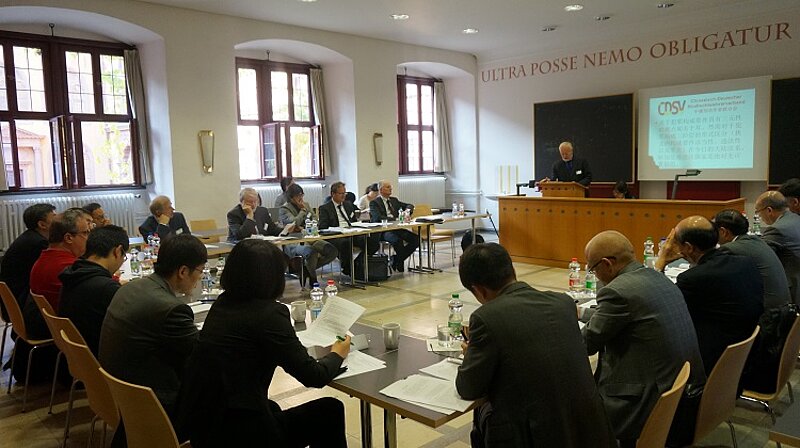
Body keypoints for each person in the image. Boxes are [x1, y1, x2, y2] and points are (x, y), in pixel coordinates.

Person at [175, 239, 350, 447]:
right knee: (329, 411)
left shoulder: (221, 305)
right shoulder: (270, 315)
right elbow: (314, 376)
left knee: (272, 408)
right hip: (243, 435)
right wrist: (337, 353)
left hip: (206, 428)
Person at [455, 243, 616, 448]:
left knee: (485, 410)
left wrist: (471, 354)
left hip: (537, 436)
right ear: (512, 270)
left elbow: (468, 388)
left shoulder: (486, 317)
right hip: (590, 430)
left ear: (478, 290)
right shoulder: (563, 303)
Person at [580, 231, 705, 446]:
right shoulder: (656, 277)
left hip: (646, 402)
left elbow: (586, 344)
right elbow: (625, 315)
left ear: (608, 264)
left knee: (567, 404)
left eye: (592, 269)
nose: (594, 274)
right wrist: (581, 312)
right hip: (682, 392)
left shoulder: (618, 292)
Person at [100, 234, 206, 446]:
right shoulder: (171, 308)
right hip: (155, 403)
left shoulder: (130, 287)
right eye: (200, 271)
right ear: (183, 271)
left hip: (121, 393)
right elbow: (202, 355)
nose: (200, 278)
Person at [655, 216, 763, 376]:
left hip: (713, 364)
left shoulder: (694, 279)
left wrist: (661, 262)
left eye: (676, 243)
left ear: (689, 247)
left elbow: (661, 307)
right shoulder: (745, 263)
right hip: (747, 355)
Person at [59, 225, 129, 356]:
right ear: (118, 251)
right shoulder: (106, 288)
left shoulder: (73, 273)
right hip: (102, 356)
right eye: (123, 257)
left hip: (78, 355)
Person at [713, 209, 790, 310]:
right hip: (783, 306)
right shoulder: (757, 240)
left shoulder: (730, 249)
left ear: (723, 232)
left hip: (768, 312)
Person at [29, 208, 92, 314]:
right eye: (85, 233)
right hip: (70, 322)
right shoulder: (69, 267)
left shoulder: (44, 258)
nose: (88, 238)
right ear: (68, 238)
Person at [0, 203, 55, 320]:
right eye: (54, 218)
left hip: (14, 300)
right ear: (42, 225)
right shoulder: (38, 243)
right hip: (23, 303)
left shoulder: (30, 237)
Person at [279, 184, 338, 285]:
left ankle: (306, 270)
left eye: (302, 195)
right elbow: (293, 223)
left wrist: (306, 225)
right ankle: (313, 278)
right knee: (311, 252)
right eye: (298, 196)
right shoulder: (284, 209)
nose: (301, 198)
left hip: (310, 236)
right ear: (291, 198)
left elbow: (315, 218)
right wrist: (302, 211)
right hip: (294, 241)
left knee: (332, 251)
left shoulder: (306, 205)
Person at [318, 181, 379, 278]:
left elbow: (354, 219)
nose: (343, 196)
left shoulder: (348, 205)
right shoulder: (325, 208)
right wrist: (337, 229)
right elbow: (322, 227)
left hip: (351, 232)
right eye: (341, 193)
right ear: (333, 194)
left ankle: (356, 264)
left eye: (344, 193)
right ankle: (349, 269)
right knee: (345, 243)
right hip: (336, 236)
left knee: (373, 242)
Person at [756, 191, 800, 305]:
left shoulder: (777, 229)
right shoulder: (796, 218)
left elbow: (759, 255)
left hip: (791, 289)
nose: (759, 217)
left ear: (769, 210)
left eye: (758, 212)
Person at [369, 180, 419, 272]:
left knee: (416, 239)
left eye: (390, 187)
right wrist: (395, 219)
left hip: (396, 228)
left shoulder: (394, 200)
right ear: (381, 190)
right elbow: (378, 217)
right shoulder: (374, 203)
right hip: (383, 230)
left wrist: (407, 211)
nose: (391, 188)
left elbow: (409, 205)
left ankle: (396, 259)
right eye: (388, 187)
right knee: (397, 241)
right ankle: (399, 262)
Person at [227, 187, 292, 242]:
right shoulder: (233, 214)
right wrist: (249, 216)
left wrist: (286, 230)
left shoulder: (262, 211)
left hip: (260, 244)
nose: (253, 205)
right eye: (250, 202)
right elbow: (240, 236)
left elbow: (273, 230)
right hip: (240, 246)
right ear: (242, 202)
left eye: (255, 201)